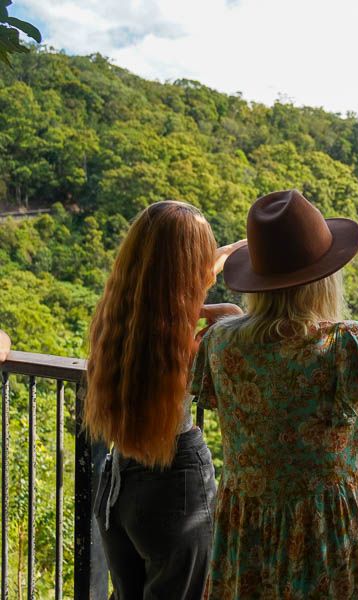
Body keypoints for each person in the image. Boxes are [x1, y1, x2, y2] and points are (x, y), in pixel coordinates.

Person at [192, 189, 358, 598]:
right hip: (332, 532)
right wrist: (351, 405)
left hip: (247, 531)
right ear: (324, 277)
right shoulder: (347, 345)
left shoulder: (221, 344)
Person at [85, 200, 245, 600]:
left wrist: (225, 254)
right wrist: (229, 310)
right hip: (176, 486)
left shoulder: (120, 321)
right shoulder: (190, 342)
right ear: (188, 269)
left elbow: (171, 285)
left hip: (118, 486)